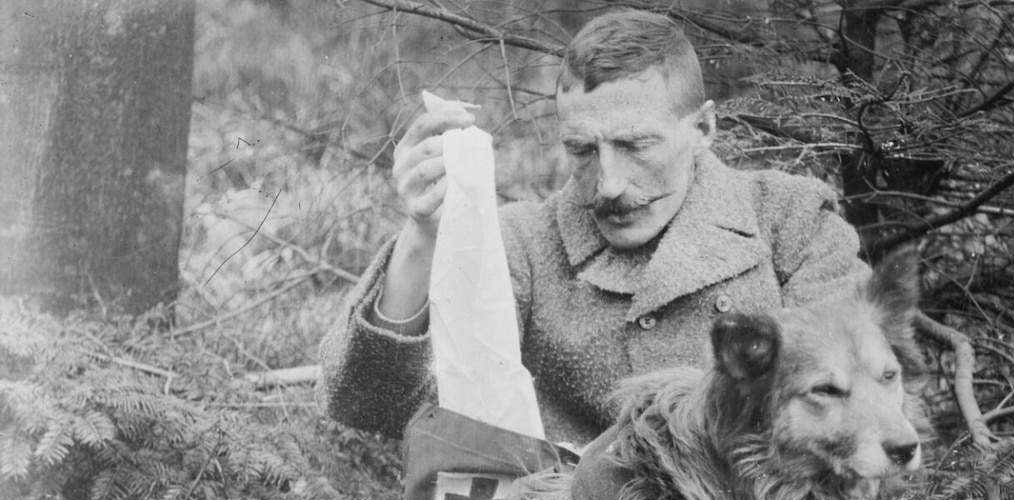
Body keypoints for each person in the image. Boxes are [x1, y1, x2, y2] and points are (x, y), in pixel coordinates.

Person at [318, 8, 877, 449]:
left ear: (703, 126)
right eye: (582, 150)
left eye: (636, 146)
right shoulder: (523, 246)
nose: (608, 184)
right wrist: (423, 234)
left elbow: (856, 413)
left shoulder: (791, 220)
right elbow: (374, 404)